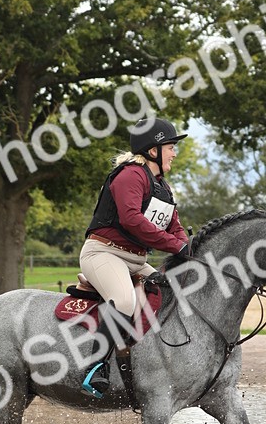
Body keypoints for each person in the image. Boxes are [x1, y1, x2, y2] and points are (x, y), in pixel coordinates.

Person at [79, 116, 190, 397]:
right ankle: (94, 368)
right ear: (153, 150)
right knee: (125, 301)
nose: (175, 152)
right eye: (171, 147)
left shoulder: (162, 186)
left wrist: (187, 246)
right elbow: (131, 220)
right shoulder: (131, 175)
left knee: (171, 293)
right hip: (103, 253)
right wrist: (175, 247)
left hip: (135, 261)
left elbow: (174, 226)